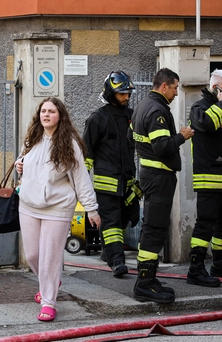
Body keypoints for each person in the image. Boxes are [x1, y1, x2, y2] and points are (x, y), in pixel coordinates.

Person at [15, 97, 101, 322]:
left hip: (58, 208)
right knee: (33, 255)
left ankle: (49, 301)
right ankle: (49, 281)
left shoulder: (69, 143)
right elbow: (23, 162)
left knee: (50, 258)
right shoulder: (32, 138)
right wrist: (19, 165)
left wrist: (91, 209)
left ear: (60, 116)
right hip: (29, 205)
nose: (46, 115)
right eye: (43, 111)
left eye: (51, 111)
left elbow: (81, 179)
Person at [129, 68, 194, 303]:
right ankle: (144, 284)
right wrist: (182, 136)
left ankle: (149, 278)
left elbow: (131, 137)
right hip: (158, 176)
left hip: (151, 174)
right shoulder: (157, 110)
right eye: (175, 88)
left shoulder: (143, 106)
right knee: (154, 229)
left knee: (153, 227)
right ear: (164, 86)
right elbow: (162, 146)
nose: (177, 93)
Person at [186, 69, 222, 287]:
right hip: (210, 179)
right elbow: (208, 125)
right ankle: (196, 269)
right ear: (215, 88)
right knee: (205, 225)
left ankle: (220, 263)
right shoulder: (200, 108)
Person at [82, 71, 141, 277]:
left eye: (127, 93)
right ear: (110, 93)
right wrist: (81, 185)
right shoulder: (98, 119)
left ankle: (108, 253)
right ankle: (117, 261)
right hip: (106, 185)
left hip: (128, 183)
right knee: (111, 223)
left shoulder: (132, 116)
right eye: (121, 93)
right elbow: (86, 154)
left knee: (127, 219)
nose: (126, 97)